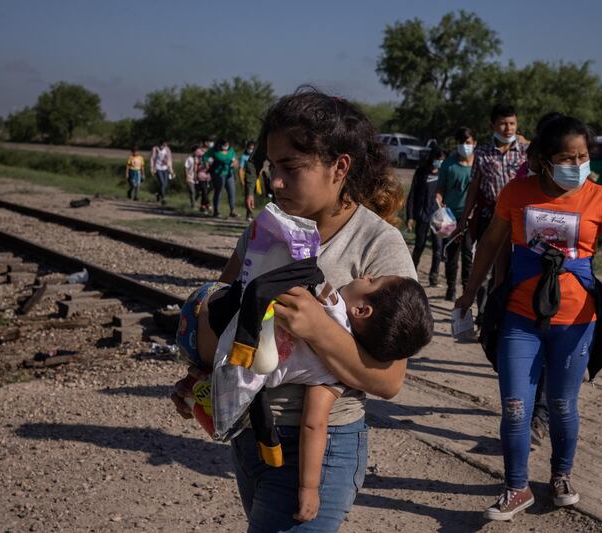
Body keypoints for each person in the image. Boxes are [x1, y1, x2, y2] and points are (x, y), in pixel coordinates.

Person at [171, 89, 418, 532]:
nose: (275, 182)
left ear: (340, 167)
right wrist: (197, 374)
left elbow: (390, 380)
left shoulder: (378, 245)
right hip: (251, 437)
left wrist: (318, 329)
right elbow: (225, 315)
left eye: (291, 168)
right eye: (272, 167)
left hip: (323, 449)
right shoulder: (263, 230)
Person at [454, 115, 602, 521]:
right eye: (566, 157)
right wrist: (469, 294)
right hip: (521, 320)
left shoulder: (601, 198)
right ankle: (516, 488)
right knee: (516, 406)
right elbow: (489, 244)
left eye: (583, 156)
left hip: (576, 323)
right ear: (542, 159)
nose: (576, 164)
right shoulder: (517, 192)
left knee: (561, 404)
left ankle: (561, 476)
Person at [178, 271, 432, 522]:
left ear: (362, 310)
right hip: (204, 352)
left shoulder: (332, 303)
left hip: (206, 302)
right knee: (240, 386)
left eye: (371, 281)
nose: (365, 275)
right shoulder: (336, 375)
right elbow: (314, 423)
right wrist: (309, 488)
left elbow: (306, 273)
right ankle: (195, 383)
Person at [457, 104, 529, 323]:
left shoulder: (527, 150)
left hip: (520, 218)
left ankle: (503, 314)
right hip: (491, 215)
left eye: (512, 123)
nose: (508, 128)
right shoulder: (482, 153)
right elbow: (474, 186)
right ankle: (484, 313)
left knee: (507, 269)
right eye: (503, 123)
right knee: (485, 264)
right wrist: (464, 218)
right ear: (493, 125)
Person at [436, 127, 476, 301]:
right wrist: (439, 204)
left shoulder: (479, 164)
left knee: (468, 253)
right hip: (450, 216)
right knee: (452, 254)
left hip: (472, 216)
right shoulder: (448, 164)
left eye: (467, 143)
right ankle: (451, 287)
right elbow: (440, 190)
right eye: (461, 143)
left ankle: (467, 288)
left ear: (474, 143)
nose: (464, 146)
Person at [406, 145, 446, 287]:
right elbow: (412, 195)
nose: (439, 162)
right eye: (437, 159)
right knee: (419, 245)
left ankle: (433, 277)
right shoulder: (421, 172)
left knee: (438, 248)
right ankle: (412, 273)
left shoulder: (444, 173)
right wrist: (410, 216)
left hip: (438, 217)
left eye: (442, 159)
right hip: (422, 216)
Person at [203, 139, 238, 218]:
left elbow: (235, 160)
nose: (225, 146)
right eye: (224, 144)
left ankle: (232, 210)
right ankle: (216, 211)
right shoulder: (214, 151)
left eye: (227, 144)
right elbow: (205, 157)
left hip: (229, 173)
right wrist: (206, 165)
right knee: (218, 192)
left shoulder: (231, 150)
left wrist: (234, 163)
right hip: (217, 174)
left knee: (232, 191)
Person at [150, 140, 174, 205]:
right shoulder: (155, 149)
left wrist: (171, 171)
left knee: (165, 184)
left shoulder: (167, 150)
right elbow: (152, 159)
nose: (164, 146)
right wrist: (152, 169)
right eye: (163, 145)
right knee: (162, 183)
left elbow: (170, 160)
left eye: (165, 145)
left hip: (165, 168)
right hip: (157, 168)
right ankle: (163, 198)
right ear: (160, 144)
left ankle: (158, 194)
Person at [194, 138, 213, 213]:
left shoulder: (212, 151)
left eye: (209, 141)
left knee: (208, 191)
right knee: (204, 190)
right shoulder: (198, 151)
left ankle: (202, 206)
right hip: (201, 173)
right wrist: (195, 173)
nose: (208, 143)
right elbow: (196, 163)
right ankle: (208, 205)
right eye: (207, 141)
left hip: (210, 174)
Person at [239, 141, 257, 220]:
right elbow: (240, 169)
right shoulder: (244, 157)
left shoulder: (256, 157)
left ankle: (251, 213)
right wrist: (241, 180)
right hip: (248, 179)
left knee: (253, 196)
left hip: (256, 180)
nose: (251, 150)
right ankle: (249, 214)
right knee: (249, 196)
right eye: (250, 148)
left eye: (253, 148)